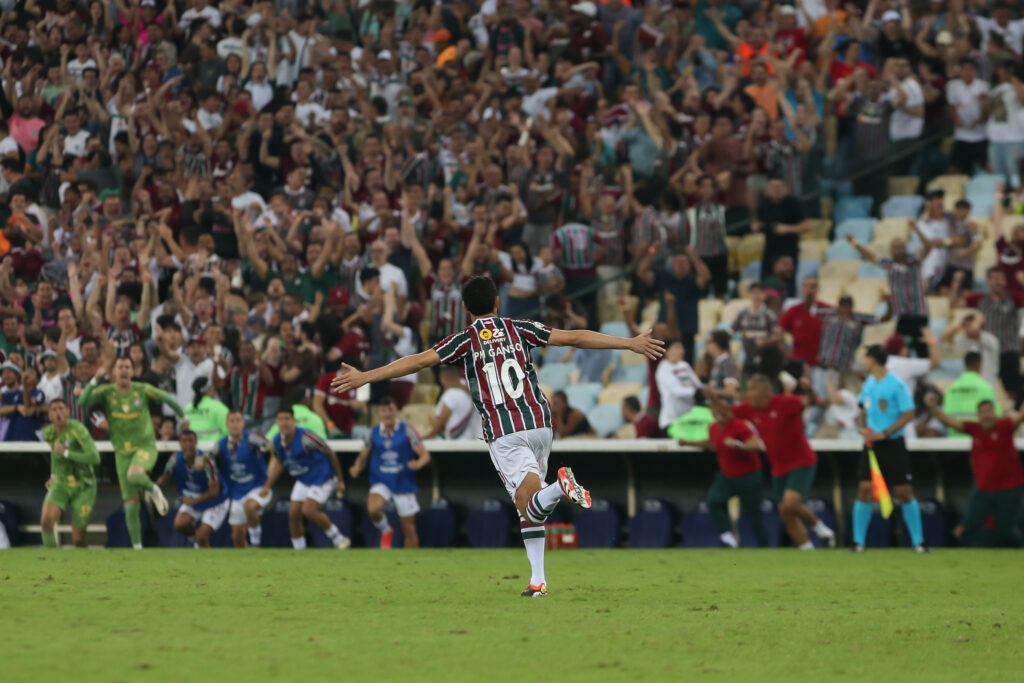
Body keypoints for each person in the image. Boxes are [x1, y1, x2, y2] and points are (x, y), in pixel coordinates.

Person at [332, 275, 665, 596]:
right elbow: (576, 337)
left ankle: (560, 487)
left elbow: (417, 362)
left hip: (506, 432)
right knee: (529, 508)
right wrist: (629, 343)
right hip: (540, 424)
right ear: (496, 301)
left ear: (465, 308)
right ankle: (538, 580)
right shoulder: (520, 328)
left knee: (531, 505)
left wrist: (367, 377)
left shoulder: (464, 340)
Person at [709, 375, 835, 549]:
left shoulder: (785, 403)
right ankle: (807, 550)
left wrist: (809, 389)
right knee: (785, 512)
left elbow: (812, 402)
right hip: (778, 467)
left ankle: (821, 529)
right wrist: (712, 398)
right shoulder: (749, 409)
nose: (748, 394)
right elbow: (726, 413)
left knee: (791, 503)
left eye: (752, 389)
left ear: (766, 392)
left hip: (801, 461)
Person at [79, 356, 185, 549]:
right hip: (122, 453)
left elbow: (167, 397)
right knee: (130, 504)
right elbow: (83, 401)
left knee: (135, 475)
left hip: (145, 447)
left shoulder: (141, 389)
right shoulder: (106, 392)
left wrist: (182, 416)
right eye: (120, 367)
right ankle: (137, 548)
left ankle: (153, 490)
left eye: (128, 367)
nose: (124, 370)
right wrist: (95, 380)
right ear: (114, 373)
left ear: (133, 372)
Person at [853, 345, 929, 553]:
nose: (862, 362)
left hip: (893, 444)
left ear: (873, 360)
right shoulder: (869, 383)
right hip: (871, 444)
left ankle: (918, 542)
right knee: (865, 490)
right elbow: (862, 409)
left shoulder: (896, 384)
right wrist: (862, 427)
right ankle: (858, 542)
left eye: (865, 358)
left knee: (903, 492)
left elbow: (908, 414)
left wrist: (885, 433)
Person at [924, 393, 1023, 547]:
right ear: (978, 415)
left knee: (1006, 529)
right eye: (983, 412)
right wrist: (933, 408)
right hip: (983, 489)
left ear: (995, 413)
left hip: (1008, 488)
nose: (987, 415)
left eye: (989, 411)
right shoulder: (974, 429)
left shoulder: (1004, 426)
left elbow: (1020, 416)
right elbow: (950, 422)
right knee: (970, 525)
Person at [678, 403, 769, 548]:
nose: (718, 416)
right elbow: (712, 444)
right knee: (713, 501)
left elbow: (757, 445)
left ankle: (764, 546)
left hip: (749, 476)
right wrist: (688, 442)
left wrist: (737, 445)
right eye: (715, 413)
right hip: (727, 476)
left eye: (721, 413)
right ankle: (727, 536)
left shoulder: (740, 426)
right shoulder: (713, 428)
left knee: (753, 514)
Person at [259, 407, 350, 550]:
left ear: (294, 420)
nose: (284, 423)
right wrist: (267, 485)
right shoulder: (277, 442)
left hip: (322, 477)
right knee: (293, 513)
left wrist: (340, 480)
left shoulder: (307, 438)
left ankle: (339, 539)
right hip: (304, 479)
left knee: (308, 510)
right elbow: (280, 463)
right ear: (276, 422)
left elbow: (330, 452)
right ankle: (299, 550)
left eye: (287, 419)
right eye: (281, 419)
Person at [349, 397, 431, 549]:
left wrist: (418, 464)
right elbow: (363, 455)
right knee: (373, 509)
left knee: (409, 528)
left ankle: (412, 563)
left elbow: (425, 455)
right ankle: (386, 530)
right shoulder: (372, 432)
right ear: (379, 412)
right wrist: (357, 467)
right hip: (381, 480)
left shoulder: (407, 430)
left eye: (390, 410)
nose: (387, 414)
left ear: (396, 411)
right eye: (383, 410)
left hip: (403, 482)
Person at [39, 398, 100, 548]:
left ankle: (83, 569)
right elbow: (55, 453)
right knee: (46, 522)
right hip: (62, 481)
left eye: (61, 408)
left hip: (84, 484)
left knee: (78, 538)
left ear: (68, 412)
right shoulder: (48, 433)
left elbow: (95, 458)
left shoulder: (78, 430)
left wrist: (66, 453)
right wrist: (53, 475)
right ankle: (52, 564)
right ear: (49, 414)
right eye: (54, 409)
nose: (58, 412)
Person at [155, 430, 230, 548]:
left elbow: (215, 492)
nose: (188, 444)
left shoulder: (207, 462)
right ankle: (197, 543)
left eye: (191, 441)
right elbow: (165, 478)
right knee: (180, 524)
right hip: (193, 498)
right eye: (184, 441)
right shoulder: (174, 459)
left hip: (216, 502)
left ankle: (203, 549)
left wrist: (194, 501)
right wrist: (151, 487)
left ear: (196, 442)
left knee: (202, 537)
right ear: (180, 444)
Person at [214, 410, 273, 548]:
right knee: (237, 537)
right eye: (232, 421)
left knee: (250, 506)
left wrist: (269, 446)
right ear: (227, 424)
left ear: (243, 423)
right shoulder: (221, 444)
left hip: (258, 487)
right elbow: (209, 456)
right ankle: (249, 562)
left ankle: (255, 544)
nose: (235, 424)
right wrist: (202, 460)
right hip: (237, 491)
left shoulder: (252, 439)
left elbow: (270, 446)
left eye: (238, 420)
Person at [943, 351, 1000, 438]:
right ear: (979, 364)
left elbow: (945, 416)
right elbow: (997, 414)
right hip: (977, 437)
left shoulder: (951, 388)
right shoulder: (985, 387)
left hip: (954, 438)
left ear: (965, 365)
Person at [655, 340, 704, 432]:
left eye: (682, 348)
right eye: (677, 348)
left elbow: (698, 385)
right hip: (672, 421)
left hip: (688, 419)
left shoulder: (684, 365)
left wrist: (706, 390)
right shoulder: (663, 369)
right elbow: (677, 391)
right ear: (667, 351)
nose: (682, 351)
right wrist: (696, 392)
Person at [424, 366, 483, 440]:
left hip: (453, 444)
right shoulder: (471, 389)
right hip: (472, 441)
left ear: (442, 378)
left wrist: (428, 437)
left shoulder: (450, 394)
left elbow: (441, 423)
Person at [185, 376, 230, 442]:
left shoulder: (188, 407)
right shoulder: (218, 406)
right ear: (209, 389)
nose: (213, 388)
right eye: (212, 386)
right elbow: (228, 429)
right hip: (213, 448)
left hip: (192, 447)